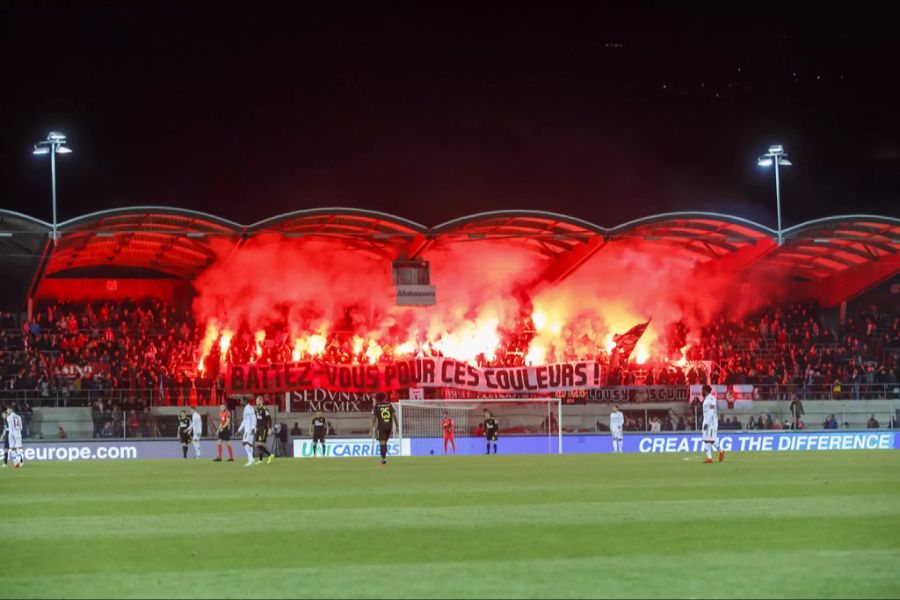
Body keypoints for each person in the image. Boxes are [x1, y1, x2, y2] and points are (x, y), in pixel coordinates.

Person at [371, 392, 396, 466]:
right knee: (384, 443)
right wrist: (397, 427)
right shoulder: (389, 405)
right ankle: (384, 459)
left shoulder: (376, 406)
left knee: (382, 444)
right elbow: (394, 416)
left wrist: (372, 428)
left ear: (377, 398)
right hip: (389, 426)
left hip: (381, 426)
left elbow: (374, 419)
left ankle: (383, 461)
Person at [701, 384, 724, 464]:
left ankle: (709, 458)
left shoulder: (711, 399)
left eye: (703, 390)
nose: (702, 392)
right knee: (711, 439)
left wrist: (707, 423)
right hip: (708, 421)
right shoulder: (707, 399)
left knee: (707, 440)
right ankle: (721, 450)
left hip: (711, 423)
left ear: (705, 391)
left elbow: (711, 412)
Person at [237, 397, 257, 466]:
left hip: (249, 430)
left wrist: (253, 428)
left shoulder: (249, 408)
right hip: (248, 429)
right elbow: (244, 421)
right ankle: (252, 460)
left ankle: (250, 460)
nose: (240, 402)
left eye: (241, 401)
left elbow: (254, 418)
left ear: (245, 401)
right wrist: (239, 430)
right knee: (248, 444)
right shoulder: (246, 409)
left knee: (245, 443)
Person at [254, 396, 273, 464]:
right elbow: (258, 419)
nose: (256, 401)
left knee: (260, 444)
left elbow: (269, 419)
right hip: (258, 428)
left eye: (257, 400)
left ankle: (268, 455)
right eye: (256, 400)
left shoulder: (264, 409)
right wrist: (255, 428)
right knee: (257, 444)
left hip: (263, 429)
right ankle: (262, 459)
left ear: (261, 401)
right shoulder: (257, 409)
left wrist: (270, 428)